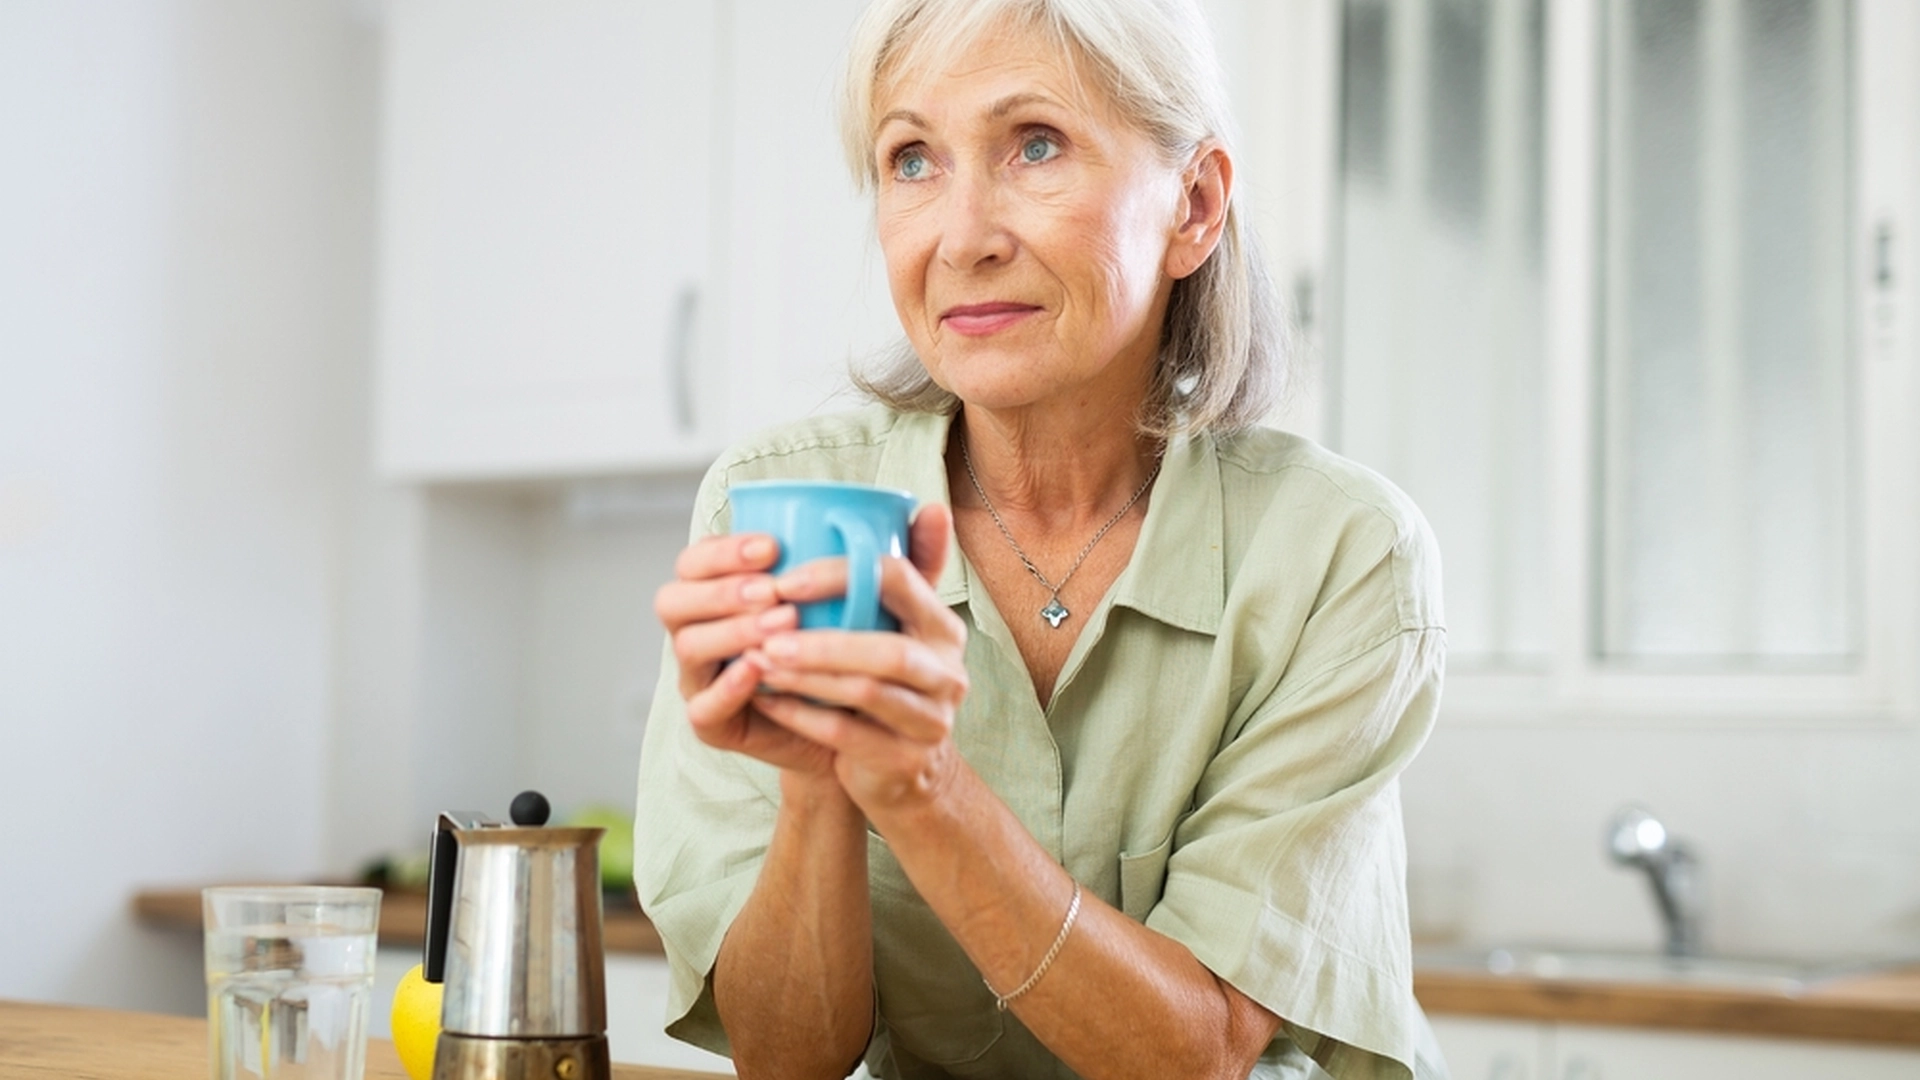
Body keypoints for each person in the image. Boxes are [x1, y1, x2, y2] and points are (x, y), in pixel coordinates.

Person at [635, 0, 1447, 1077]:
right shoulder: (779, 504)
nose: (963, 237)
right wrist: (817, 780)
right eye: (912, 159)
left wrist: (922, 788)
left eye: (1036, 145)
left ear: (1194, 205)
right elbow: (787, 1061)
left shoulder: (1338, 554)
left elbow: (1196, 1054)